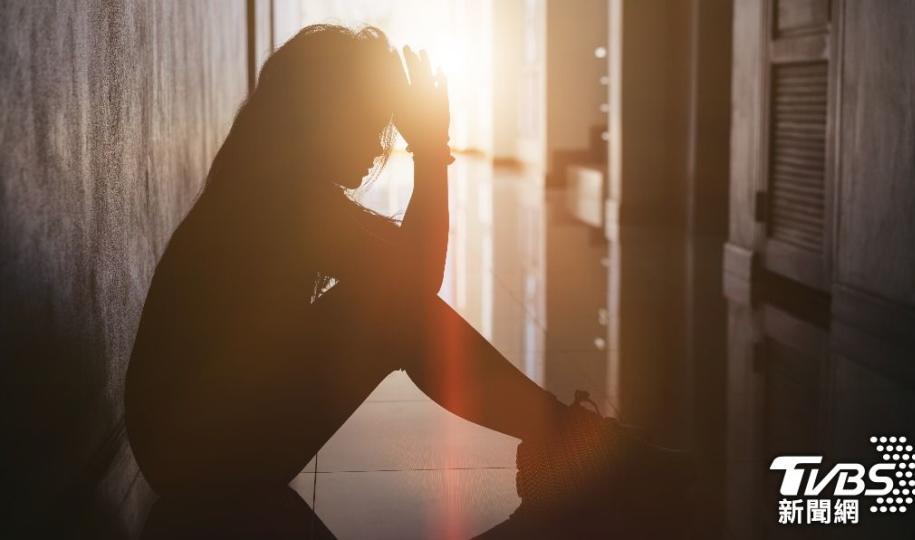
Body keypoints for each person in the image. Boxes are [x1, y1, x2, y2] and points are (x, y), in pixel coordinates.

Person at [124, 23, 577, 497]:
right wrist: (428, 150)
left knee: (396, 301)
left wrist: (429, 149)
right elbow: (418, 281)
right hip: (197, 460)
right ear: (322, 118)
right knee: (401, 312)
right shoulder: (281, 200)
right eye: (369, 124)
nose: (378, 147)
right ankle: (568, 436)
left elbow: (408, 266)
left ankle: (563, 433)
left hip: (184, 450)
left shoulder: (273, 182)